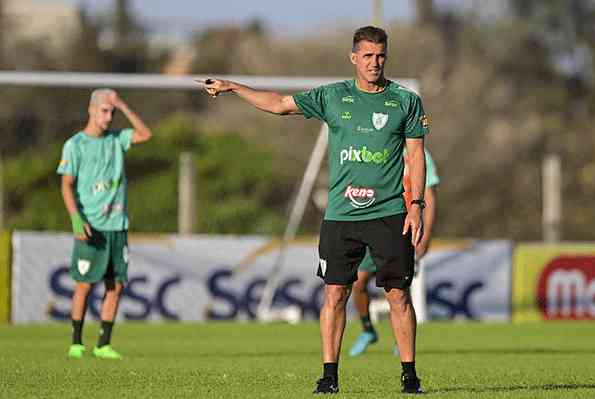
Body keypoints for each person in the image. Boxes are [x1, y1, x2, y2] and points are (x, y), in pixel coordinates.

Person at [199, 25, 428, 394]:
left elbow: (416, 156)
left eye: (380, 55)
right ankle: (329, 375)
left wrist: (416, 204)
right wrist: (233, 87)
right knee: (335, 294)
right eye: (367, 56)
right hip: (341, 214)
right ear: (354, 58)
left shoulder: (405, 100)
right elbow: (278, 104)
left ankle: (410, 375)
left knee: (398, 295)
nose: (374, 62)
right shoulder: (333, 96)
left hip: (390, 212)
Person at [58, 89, 152, 360]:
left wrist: (123, 104)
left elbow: (145, 134)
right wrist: (76, 219)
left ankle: (103, 344)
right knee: (84, 285)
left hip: (117, 224)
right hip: (91, 225)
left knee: (116, 285)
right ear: (91, 110)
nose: (109, 117)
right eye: (104, 111)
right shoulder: (75, 145)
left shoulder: (116, 139)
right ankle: (76, 342)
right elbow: (66, 185)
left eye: (112, 112)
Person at [349, 149, 439, 357]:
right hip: (374, 224)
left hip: (404, 227)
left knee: (397, 289)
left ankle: (402, 341)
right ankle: (367, 330)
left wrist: (425, 235)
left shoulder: (420, 153)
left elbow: (429, 195)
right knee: (358, 281)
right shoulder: (378, 144)